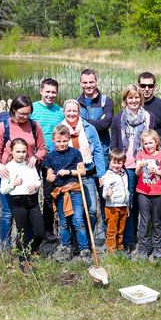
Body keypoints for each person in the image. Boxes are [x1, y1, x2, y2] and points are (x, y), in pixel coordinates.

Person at [0, 95, 47, 251]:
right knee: (8, 214)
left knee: (28, 213)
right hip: (7, 174)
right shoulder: (4, 126)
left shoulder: (34, 126)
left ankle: (26, 248)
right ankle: (5, 248)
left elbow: (43, 148)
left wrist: (36, 157)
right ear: (13, 110)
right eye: (22, 113)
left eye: (28, 113)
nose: (25, 117)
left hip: (28, 175)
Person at [110, 84, 152, 252]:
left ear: (141, 99)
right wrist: (114, 166)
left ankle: (144, 240)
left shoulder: (149, 117)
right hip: (125, 167)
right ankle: (128, 240)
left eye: (137, 97)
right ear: (125, 99)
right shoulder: (118, 118)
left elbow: (154, 140)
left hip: (144, 166)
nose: (134, 100)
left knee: (143, 203)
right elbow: (114, 144)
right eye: (130, 97)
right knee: (127, 202)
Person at [138, 72, 161, 253]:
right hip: (140, 161)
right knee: (141, 205)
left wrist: (160, 155)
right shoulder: (134, 102)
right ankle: (142, 244)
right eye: (143, 86)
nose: (146, 89)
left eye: (150, 86)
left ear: (155, 86)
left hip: (157, 163)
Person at [58, 99, 106, 237]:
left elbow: (97, 151)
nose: (72, 113)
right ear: (64, 112)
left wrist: (101, 174)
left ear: (79, 112)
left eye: (74, 111)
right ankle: (75, 241)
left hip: (87, 174)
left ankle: (86, 237)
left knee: (91, 210)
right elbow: (55, 152)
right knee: (71, 210)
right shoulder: (60, 129)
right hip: (68, 177)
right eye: (69, 111)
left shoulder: (89, 129)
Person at [77, 69, 115, 234]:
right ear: (80, 83)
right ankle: (88, 238)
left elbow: (106, 124)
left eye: (91, 82)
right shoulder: (76, 103)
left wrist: (85, 122)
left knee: (106, 197)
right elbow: (74, 124)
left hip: (104, 155)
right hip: (83, 157)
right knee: (89, 203)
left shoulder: (106, 101)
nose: (88, 85)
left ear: (96, 81)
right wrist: (96, 122)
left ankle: (109, 236)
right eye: (85, 82)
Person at [44, 125, 89, 262]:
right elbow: (48, 175)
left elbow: (83, 171)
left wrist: (69, 172)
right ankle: (65, 248)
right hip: (60, 193)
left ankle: (84, 249)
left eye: (65, 141)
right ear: (53, 140)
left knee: (78, 221)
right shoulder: (50, 156)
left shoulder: (75, 153)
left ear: (69, 139)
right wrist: (49, 177)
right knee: (63, 222)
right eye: (59, 141)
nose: (62, 144)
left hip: (74, 190)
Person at [0, 138, 43, 272]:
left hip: (33, 201)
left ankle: (33, 248)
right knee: (22, 232)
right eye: (18, 151)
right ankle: (23, 259)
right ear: (11, 151)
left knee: (40, 231)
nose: (21, 154)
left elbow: (39, 181)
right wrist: (14, 184)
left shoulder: (30, 165)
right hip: (18, 202)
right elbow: (3, 189)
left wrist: (35, 186)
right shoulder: (8, 168)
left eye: (24, 151)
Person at [30, 78, 64, 243]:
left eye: (53, 92)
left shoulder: (60, 111)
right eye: (47, 91)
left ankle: (49, 229)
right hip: (34, 158)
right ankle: (32, 229)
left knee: (50, 195)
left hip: (54, 159)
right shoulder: (33, 109)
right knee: (31, 192)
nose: (51, 95)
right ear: (41, 91)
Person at [135, 129, 161, 260]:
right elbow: (137, 173)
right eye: (145, 143)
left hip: (158, 192)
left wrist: (156, 171)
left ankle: (157, 248)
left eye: (151, 143)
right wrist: (140, 165)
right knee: (144, 221)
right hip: (143, 192)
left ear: (156, 142)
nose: (148, 146)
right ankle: (143, 249)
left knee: (157, 221)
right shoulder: (140, 154)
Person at [102, 149, 129, 254]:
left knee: (121, 229)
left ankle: (119, 247)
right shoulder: (108, 176)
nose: (116, 165)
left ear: (123, 163)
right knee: (112, 230)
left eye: (119, 162)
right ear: (110, 162)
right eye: (114, 162)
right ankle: (111, 250)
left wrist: (127, 205)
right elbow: (104, 193)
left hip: (123, 205)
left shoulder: (124, 174)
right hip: (112, 207)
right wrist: (107, 195)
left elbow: (126, 190)